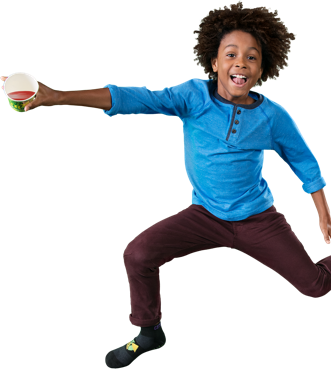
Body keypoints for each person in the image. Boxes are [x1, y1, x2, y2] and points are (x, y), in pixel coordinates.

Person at [2, 2, 331, 369]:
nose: (241, 62)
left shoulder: (273, 116)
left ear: (263, 67)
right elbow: (133, 99)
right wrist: (60, 97)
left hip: (258, 219)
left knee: (316, 286)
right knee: (138, 254)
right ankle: (148, 332)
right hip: (204, 215)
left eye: (251, 57)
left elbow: (302, 160)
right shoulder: (193, 96)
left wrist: (323, 212)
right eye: (231, 54)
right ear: (215, 63)